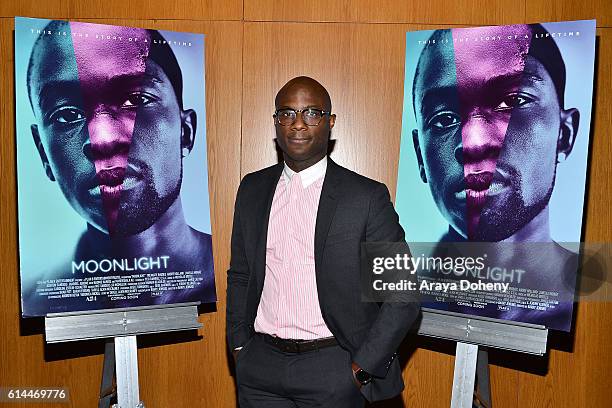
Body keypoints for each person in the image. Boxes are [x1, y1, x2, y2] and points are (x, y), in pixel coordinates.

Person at [226, 76, 420, 407]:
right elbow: (241, 275)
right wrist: (240, 346)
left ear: (329, 122)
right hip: (260, 370)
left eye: (311, 113)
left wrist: (361, 370)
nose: (298, 124)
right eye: (286, 113)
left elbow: (402, 294)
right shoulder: (252, 190)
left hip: (334, 370)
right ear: (276, 122)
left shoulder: (365, 197)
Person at [23, 21, 215, 314]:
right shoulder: (37, 301)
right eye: (66, 115)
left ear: (185, 132)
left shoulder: (238, 281)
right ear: (43, 154)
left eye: (135, 100)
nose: (103, 139)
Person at [409, 24, 580, 328]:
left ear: (564, 135)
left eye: (512, 103)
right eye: (444, 119)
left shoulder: (591, 308)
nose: (474, 142)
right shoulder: (404, 299)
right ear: (421, 157)